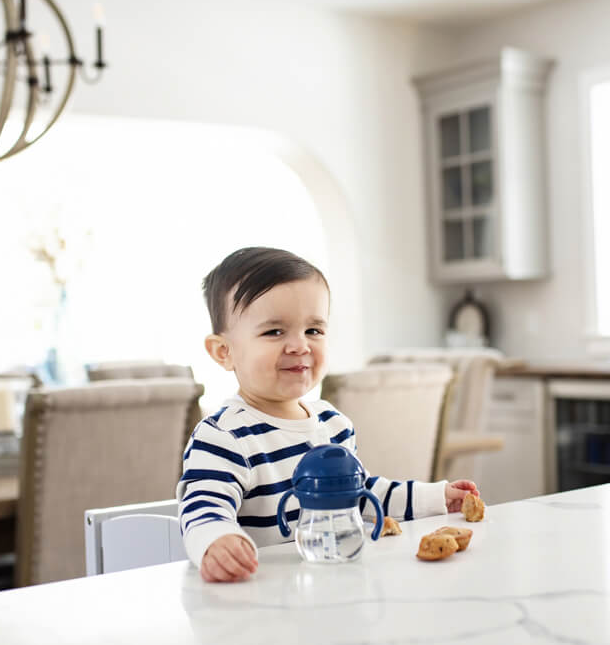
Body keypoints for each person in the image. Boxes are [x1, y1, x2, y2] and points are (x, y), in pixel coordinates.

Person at [177, 247, 479, 583]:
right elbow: (202, 509)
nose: (300, 346)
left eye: (314, 330)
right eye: (274, 332)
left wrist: (435, 496)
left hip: (328, 587)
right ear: (224, 352)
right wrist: (216, 542)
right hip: (259, 597)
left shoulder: (332, 425)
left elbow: (363, 493)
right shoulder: (225, 436)